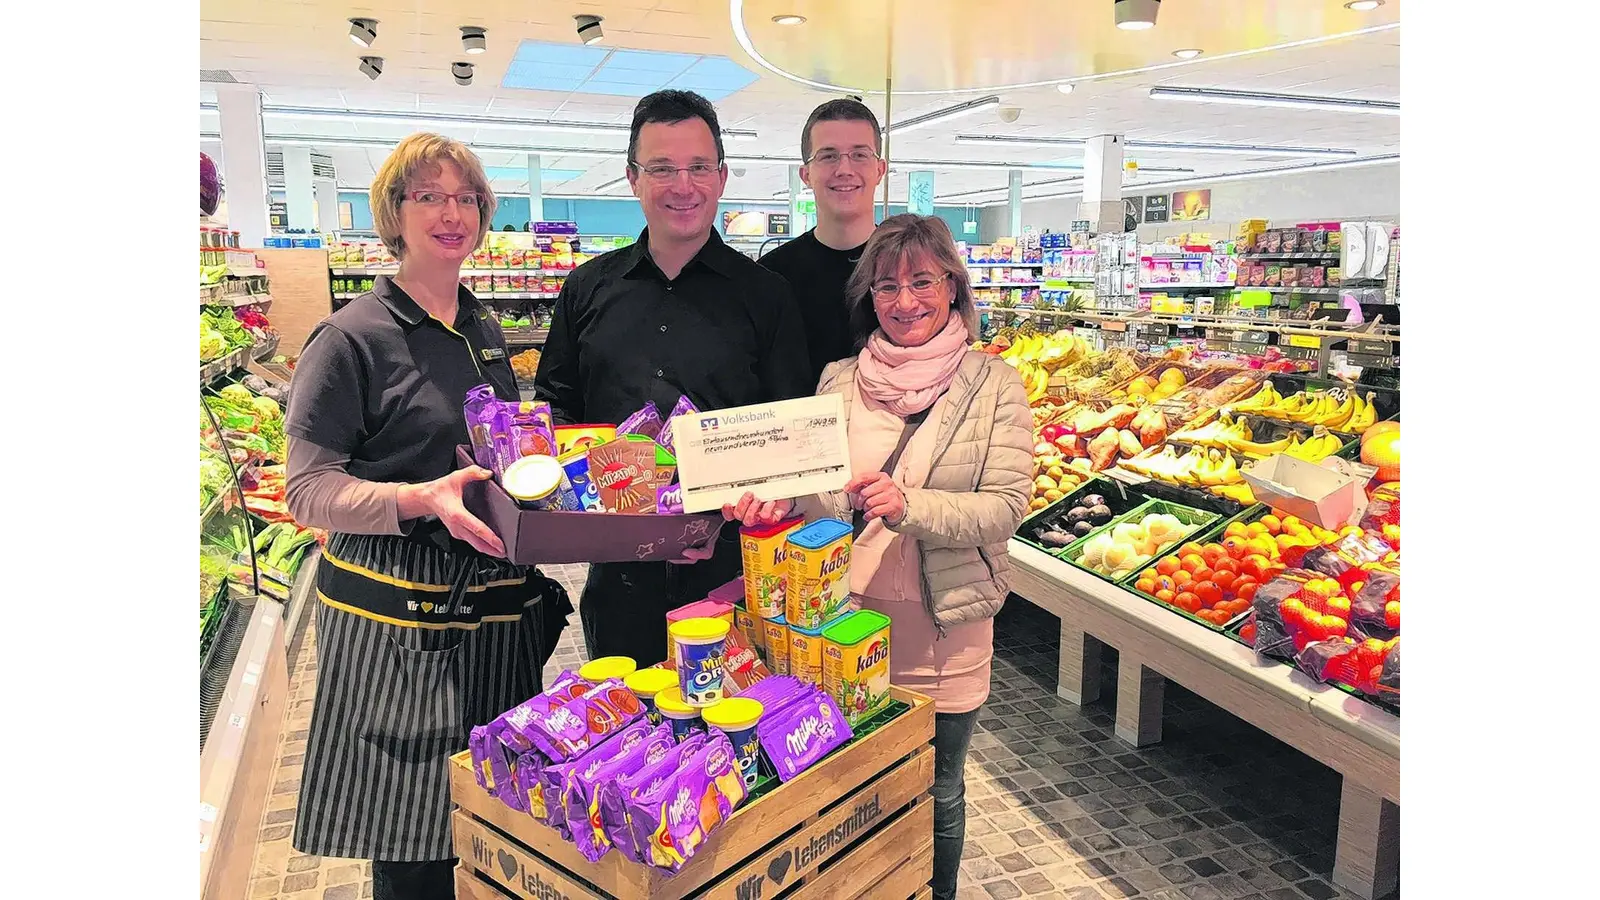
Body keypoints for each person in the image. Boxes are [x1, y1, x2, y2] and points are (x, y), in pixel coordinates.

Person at [283, 133, 571, 900]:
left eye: (467, 198)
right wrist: (418, 498)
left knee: (486, 818)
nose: (452, 214)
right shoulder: (350, 337)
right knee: (414, 842)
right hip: (398, 622)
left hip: (490, 612)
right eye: (430, 196)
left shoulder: (481, 328)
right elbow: (307, 490)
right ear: (394, 212)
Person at [724, 214, 1032, 900]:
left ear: (952, 286)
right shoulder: (838, 380)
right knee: (844, 783)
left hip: (941, 633)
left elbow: (1006, 507)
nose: (905, 300)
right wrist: (774, 503)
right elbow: (818, 497)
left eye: (922, 281)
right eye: (886, 286)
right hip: (838, 624)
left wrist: (910, 504)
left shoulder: (994, 384)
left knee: (937, 787)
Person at [532, 89, 812, 666]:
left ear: (722, 177)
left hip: (732, 575)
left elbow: (790, 426)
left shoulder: (768, 296)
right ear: (632, 178)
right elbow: (556, 407)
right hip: (617, 578)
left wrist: (750, 505)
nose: (683, 186)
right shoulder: (585, 289)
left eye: (698, 167)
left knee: (732, 718)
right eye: (662, 168)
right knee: (621, 715)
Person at [759, 98, 887, 384]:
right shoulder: (769, 277)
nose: (844, 169)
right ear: (806, 174)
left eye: (860, 154)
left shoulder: (909, 268)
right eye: (828, 156)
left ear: (880, 170)